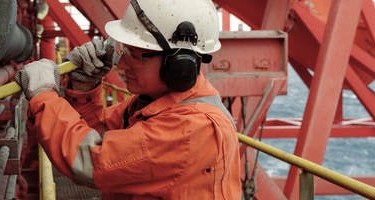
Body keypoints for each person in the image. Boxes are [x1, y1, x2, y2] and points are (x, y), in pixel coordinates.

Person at [14, 0, 241, 199]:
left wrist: (44, 95)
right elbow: (100, 135)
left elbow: (91, 161)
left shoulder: (192, 129)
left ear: (179, 66)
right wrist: (84, 89)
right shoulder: (153, 103)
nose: (121, 64)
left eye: (134, 54)